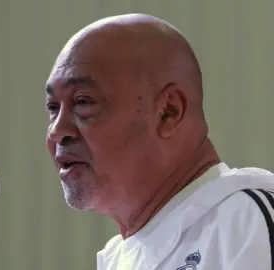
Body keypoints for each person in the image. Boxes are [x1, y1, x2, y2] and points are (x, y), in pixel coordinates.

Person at [45, 13, 274, 269]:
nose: (57, 131)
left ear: (168, 112)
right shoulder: (119, 259)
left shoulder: (245, 224)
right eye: (53, 107)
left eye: (83, 102)